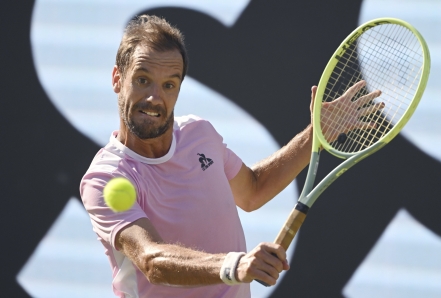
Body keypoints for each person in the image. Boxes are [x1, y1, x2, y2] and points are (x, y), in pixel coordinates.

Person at [80, 15, 382, 298]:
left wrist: (315, 134)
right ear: (118, 79)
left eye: (169, 85)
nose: (154, 98)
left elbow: (253, 190)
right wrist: (234, 266)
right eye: (143, 79)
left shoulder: (200, 134)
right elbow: (151, 260)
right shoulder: (105, 178)